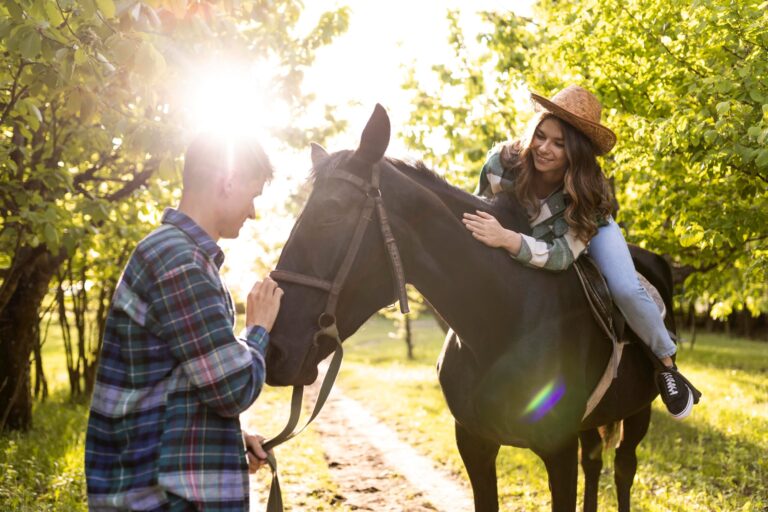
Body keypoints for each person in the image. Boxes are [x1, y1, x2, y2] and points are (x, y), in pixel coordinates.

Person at [461, 85, 700, 419]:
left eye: (559, 144)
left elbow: (561, 256)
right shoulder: (502, 164)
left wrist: (507, 240)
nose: (544, 148)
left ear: (576, 151)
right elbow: (481, 208)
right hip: (527, 229)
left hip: (588, 227)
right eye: (541, 136)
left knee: (625, 288)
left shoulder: (586, 193)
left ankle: (666, 364)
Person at [85, 134, 283, 511]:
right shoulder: (181, 262)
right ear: (227, 182)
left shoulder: (177, 255)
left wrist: (232, 436)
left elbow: (178, 382)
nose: (253, 211)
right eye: (253, 195)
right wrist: (259, 328)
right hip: (161, 501)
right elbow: (232, 386)